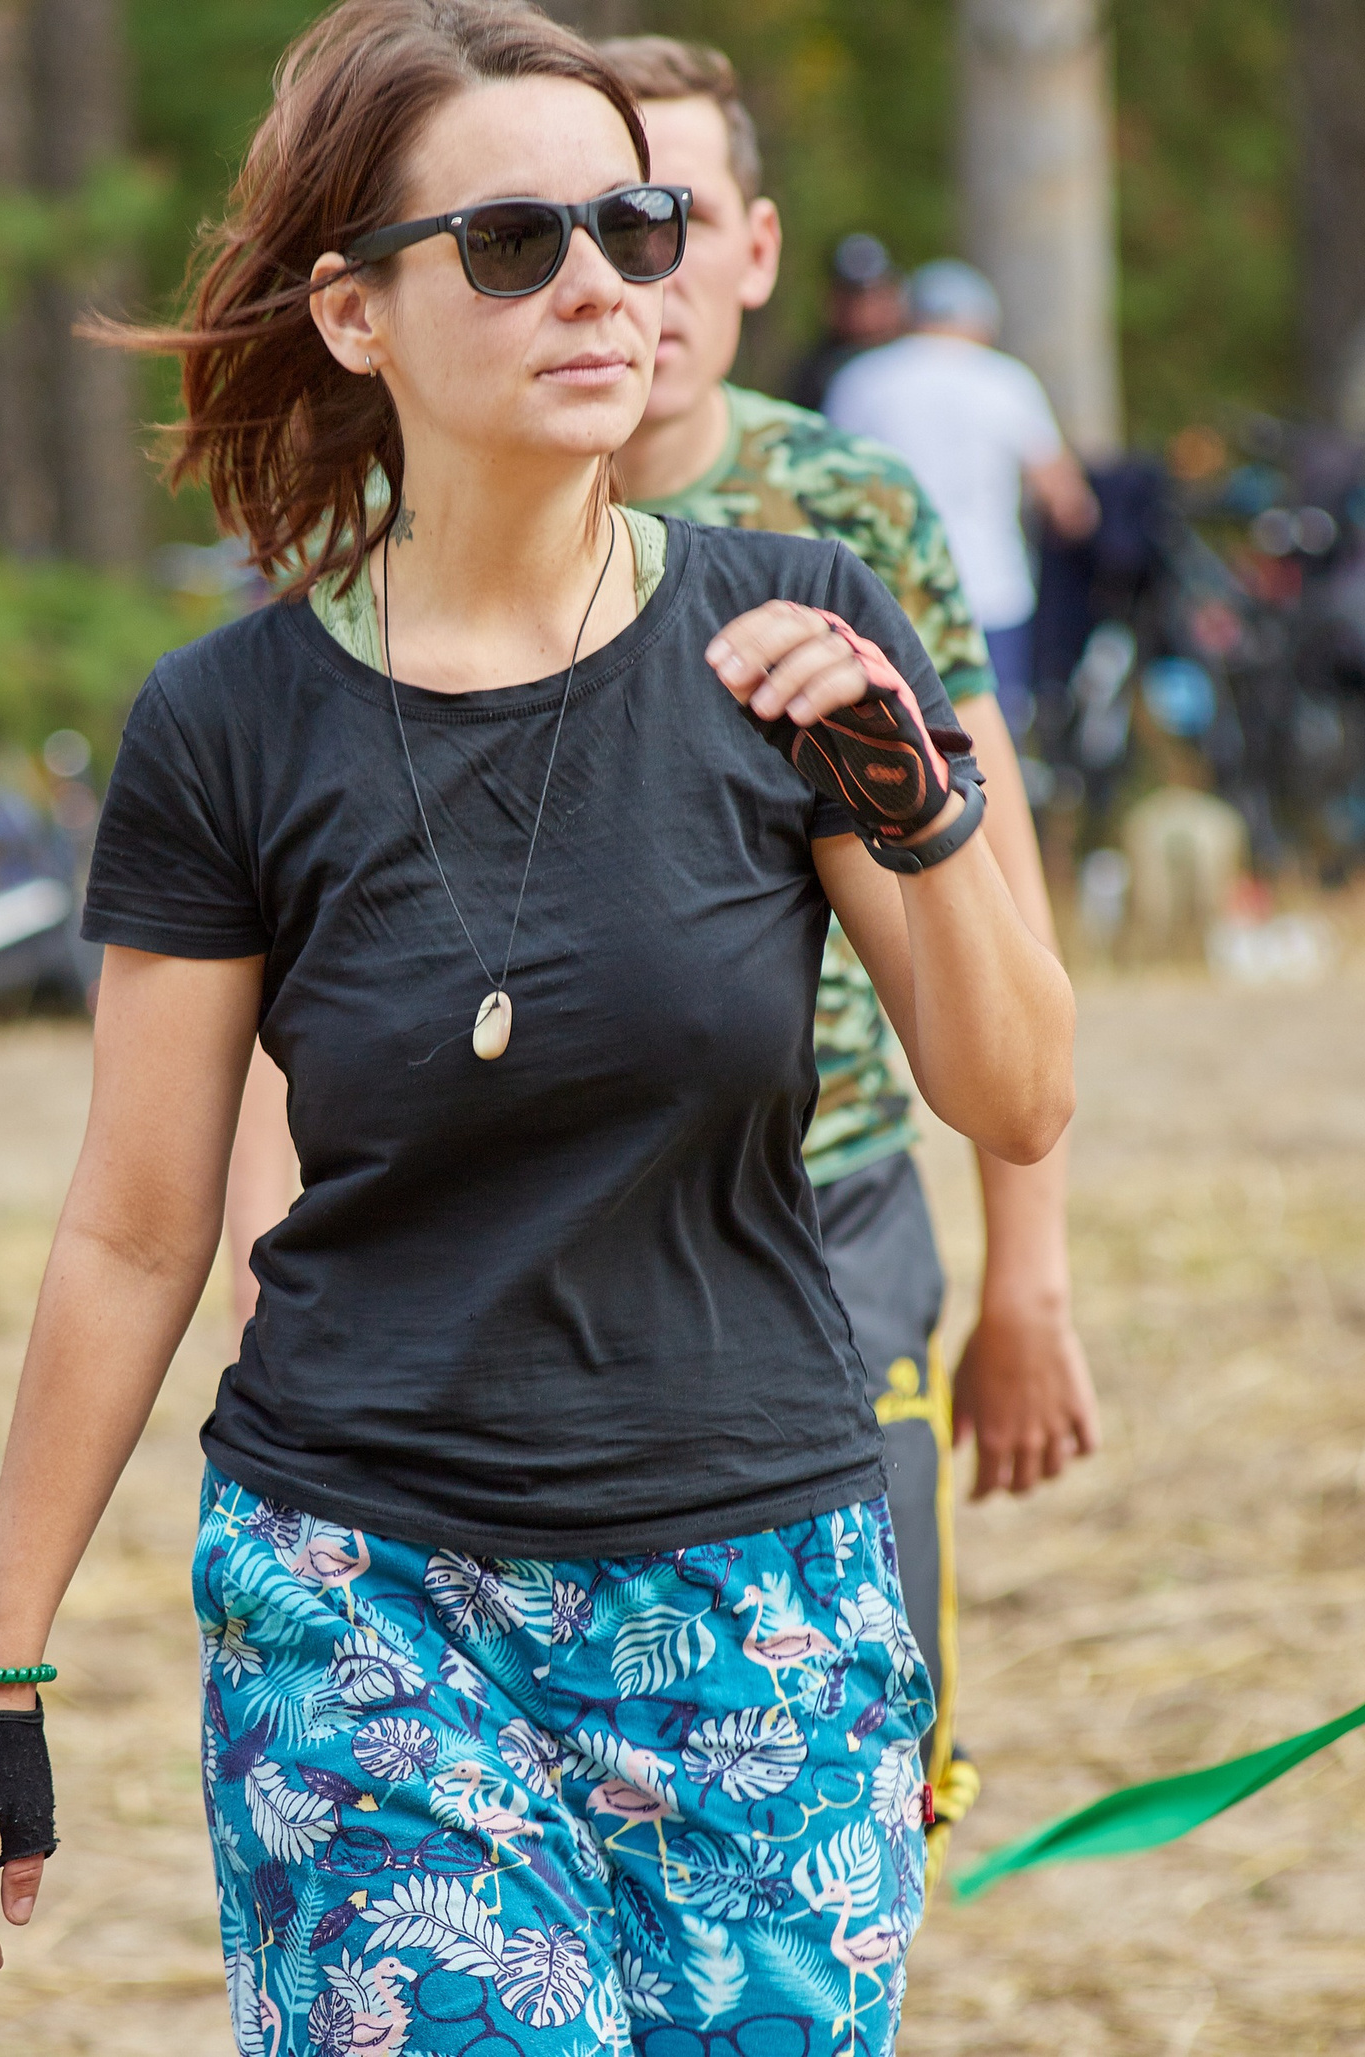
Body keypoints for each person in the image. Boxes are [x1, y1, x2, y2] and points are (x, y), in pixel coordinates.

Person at [0, 7, 1073, 2049]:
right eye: (514, 244)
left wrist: (925, 806)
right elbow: (134, 1225)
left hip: (759, 1589)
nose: (602, 286)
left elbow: (1014, 1089)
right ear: (352, 312)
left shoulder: (795, 625)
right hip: (367, 1597)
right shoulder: (227, 725)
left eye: (634, 228)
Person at [603, 33, 1100, 1861]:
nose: (632, 279)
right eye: (584, 225)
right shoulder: (435, 520)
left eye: (675, 222)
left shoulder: (850, 506)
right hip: (569, 1231)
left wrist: (1027, 1276)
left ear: (756, 249)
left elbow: (993, 893)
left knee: (862, 1750)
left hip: (841, 1203)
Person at [825, 260, 1100, 735]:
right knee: (988, 747)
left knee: (889, 747)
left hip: (886, 598)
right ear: (982, 321)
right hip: (989, 596)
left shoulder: (861, 379)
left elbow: (826, 488)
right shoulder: (1008, 381)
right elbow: (1069, 506)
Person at [783, 233, 905, 415]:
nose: (863, 310)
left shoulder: (914, 360)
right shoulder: (816, 373)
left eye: (873, 296)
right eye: (851, 297)